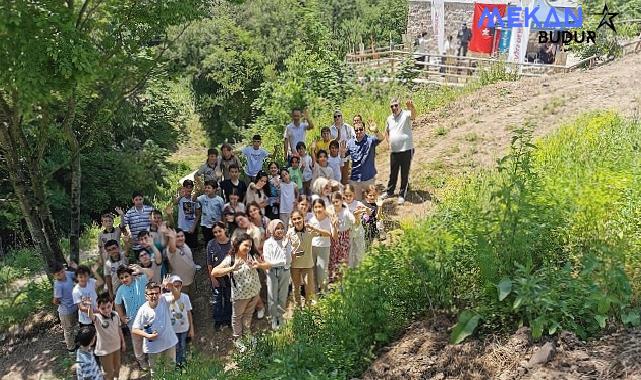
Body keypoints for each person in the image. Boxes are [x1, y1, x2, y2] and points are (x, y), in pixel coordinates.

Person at [210, 233, 270, 351]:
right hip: (240, 296)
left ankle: (247, 335)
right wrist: (232, 269)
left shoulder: (252, 255)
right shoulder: (230, 260)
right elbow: (214, 272)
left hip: (254, 292)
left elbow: (268, 266)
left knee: (248, 315)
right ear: (238, 244)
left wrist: (259, 265)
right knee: (237, 317)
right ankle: (238, 339)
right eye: (246, 245)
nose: (248, 248)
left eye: (250, 246)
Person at [132, 280, 180, 376]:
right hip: (153, 347)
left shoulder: (164, 300)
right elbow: (134, 329)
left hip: (168, 342)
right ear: (146, 296)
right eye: (151, 293)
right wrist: (148, 336)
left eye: (156, 293)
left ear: (160, 293)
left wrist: (171, 287)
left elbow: (177, 296)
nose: (154, 296)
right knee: (156, 373)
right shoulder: (143, 310)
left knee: (170, 370)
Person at [114, 264, 155, 370]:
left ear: (131, 275)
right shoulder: (121, 290)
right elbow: (117, 304)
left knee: (150, 338)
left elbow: (152, 273)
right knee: (137, 342)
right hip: (133, 321)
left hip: (147, 317)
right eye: (121, 278)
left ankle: (153, 359)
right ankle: (141, 360)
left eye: (126, 276)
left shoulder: (140, 281)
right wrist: (122, 317)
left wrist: (141, 269)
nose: (124, 279)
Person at [343, 115, 384, 201]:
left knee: (372, 202)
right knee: (357, 203)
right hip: (355, 179)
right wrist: (340, 152)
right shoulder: (350, 143)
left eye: (361, 129)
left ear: (364, 129)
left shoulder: (370, 140)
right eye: (356, 130)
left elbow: (381, 138)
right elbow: (343, 155)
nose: (359, 131)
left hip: (368, 178)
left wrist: (376, 130)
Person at [384, 98, 416, 205]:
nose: (394, 108)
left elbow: (414, 116)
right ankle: (389, 192)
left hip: (406, 149)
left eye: (396, 105)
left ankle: (402, 194)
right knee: (393, 172)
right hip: (394, 151)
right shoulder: (389, 119)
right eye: (392, 106)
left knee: (404, 173)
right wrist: (389, 143)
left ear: (399, 105)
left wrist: (411, 107)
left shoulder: (406, 114)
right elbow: (387, 132)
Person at [262, 219, 292, 330]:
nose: (280, 230)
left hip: (285, 271)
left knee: (283, 296)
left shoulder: (286, 241)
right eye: (277, 228)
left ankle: (281, 316)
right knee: (272, 297)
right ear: (272, 229)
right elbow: (268, 262)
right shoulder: (268, 243)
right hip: (271, 273)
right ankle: (274, 317)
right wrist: (280, 262)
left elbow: (288, 260)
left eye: (281, 228)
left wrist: (284, 247)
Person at [88, 293, 125, 380]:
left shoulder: (115, 315)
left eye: (108, 306)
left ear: (112, 304)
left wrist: (123, 342)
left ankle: (116, 378)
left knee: (117, 367)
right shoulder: (97, 317)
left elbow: (119, 329)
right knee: (108, 372)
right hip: (104, 351)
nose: (106, 310)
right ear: (98, 308)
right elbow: (91, 316)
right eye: (103, 308)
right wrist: (89, 306)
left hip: (116, 347)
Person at [206, 222, 233, 329]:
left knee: (228, 298)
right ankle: (218, 320)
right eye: (215, 232)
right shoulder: (211, 244)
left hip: (229, 276)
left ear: (224, 230)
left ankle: (227, 318)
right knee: (217, 299)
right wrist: (212, 278)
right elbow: (209, 263)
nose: (217, 234)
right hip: (216, 276)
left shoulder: (231, 243)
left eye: (219, 231)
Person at [308, 199, 337, 294]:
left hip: (324, 248)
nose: (318, 209)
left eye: (320, 207)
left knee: (322, 273)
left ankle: (325, 291)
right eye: (315, 207)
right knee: (313, 273)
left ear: (324, 207)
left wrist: (316, 230)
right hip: (312, 247)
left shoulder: (329, 219)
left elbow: (330, 234)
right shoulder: (312, 220)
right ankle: (315, 295)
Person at [164, 275, 194, 368]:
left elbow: (189, 313)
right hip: (172, 329)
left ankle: (182, 364)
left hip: (184, 328)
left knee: (183, 346)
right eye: (174, 285)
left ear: (181, 286)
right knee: (175, 347)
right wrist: (163, 286)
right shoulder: (166, 297)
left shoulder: (185, 297)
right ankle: (176, 364)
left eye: (179, 286)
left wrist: (191, 328)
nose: (176, 288)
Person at [288, 210, 316, 308]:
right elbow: (286, 248)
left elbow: (327, 234)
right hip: (295, 265)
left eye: (299, 218)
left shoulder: (309, 230)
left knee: (309, 287)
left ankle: (308, 307)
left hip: (307, 264)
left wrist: (315, 229)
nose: (297, 221)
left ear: (303, 218)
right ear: (292, 221)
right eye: (294, 219)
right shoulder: (289, 232)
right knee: (296, 287)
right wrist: (291, 252)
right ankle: (298, 307)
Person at [329, 192, 356, 283]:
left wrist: (355, 218)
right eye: (333, 202)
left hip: (344, 236)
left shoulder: (345, 211)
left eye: (337, 201)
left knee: (343, 257)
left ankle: (342, 278)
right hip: (334, 236)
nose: (335, 204)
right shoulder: (331, 210)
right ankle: (333, 278)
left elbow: (353, 219)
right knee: (333, 257)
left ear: (341, 201)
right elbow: (327, 210)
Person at [52, 261, 78, 353]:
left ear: (64, 269)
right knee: (68, 330)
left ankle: (76, 341)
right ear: (54, 276)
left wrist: (76, 267)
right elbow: (55, 300)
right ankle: (71, 348)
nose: (61, 275)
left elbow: (78, 275)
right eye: (58, 274)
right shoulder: (58, 285)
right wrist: (63, 302)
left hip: (75, 306)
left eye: (62, 272)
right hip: (66, 311)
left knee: (74, 326)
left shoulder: (68, 274)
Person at [120, 192, 154, 258]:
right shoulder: (129, 213)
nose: (138, 201)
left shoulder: (150, 209)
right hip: (137, 245)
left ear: (143, 199)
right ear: (133, 200)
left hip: (150, 244)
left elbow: (156, 222)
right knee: (141, 265)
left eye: (140, 199)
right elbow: (122, 226)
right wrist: (122, 215)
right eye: (136, 200)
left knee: (153, 263)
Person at [343, 184, 368, 268]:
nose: (348, 197)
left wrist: (366, 210)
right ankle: (350, 271)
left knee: (359, 252)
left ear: (354, 194)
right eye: (346, 196)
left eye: (350, 195)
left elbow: (368, 213)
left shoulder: (358, 203)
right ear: (343, 195)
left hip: (358, 231)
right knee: (349, 253)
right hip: (348, 233)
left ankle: (360, 270)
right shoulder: (342, 205)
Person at [166, 228, 196, 294]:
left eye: (182, 236)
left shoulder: (184, 245)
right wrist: (172, 237)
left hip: (190, 281)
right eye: (177, 237)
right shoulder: (171, 250)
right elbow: (172, 248)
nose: (180, 238)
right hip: (180, 285)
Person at [196, 180, 225, 245]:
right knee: (208, 242)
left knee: (217, 241)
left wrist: (223, 225)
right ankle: (209, 254)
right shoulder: (203, 198)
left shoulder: (219, 200)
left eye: (209, 188)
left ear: (214, 189)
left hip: (216, 225)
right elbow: (194, 199)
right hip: (205, 225)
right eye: (205, 187)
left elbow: (223, 213)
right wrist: (198, 190)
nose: (206, 189)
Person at [173, 179, 200, 249]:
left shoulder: (194, 199)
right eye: (186, 187)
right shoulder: (181, 199)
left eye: (190, 187)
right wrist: (181, 196)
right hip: (182, 227)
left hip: (191, 228)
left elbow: (198, 214)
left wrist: (193, 227)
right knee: (181, 247)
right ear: (184, 188)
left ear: (192, 188)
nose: (188, 189)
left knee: (192, 248)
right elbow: (175, 202)